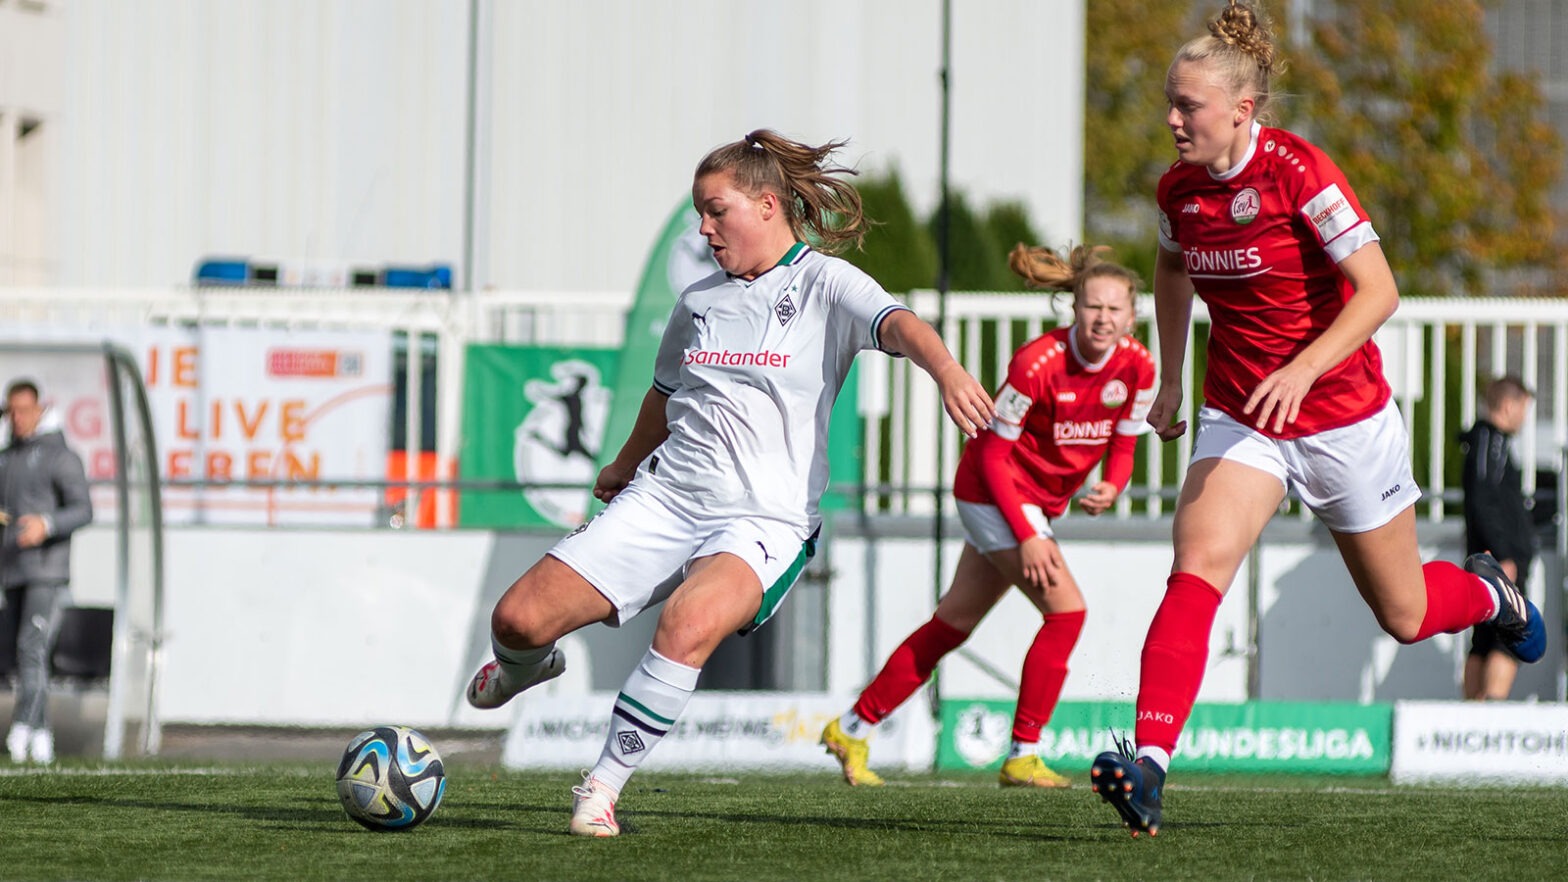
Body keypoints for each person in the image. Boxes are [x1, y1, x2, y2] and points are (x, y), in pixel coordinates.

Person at [1090, 0, 1547, 837]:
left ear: (1241, 110)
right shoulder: (1177, 188)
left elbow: (1381, 292)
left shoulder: (1300, 170)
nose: (1171, 118)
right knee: (1196, 566)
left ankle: (1489, 591)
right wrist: (1169, 375)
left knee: (1406, 617)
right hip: (1242, 414)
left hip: (1343, 418)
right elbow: (1169, 263)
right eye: (1170, 101)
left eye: (1186, 105)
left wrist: (1303, 368)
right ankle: (1150, 769)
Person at [462, 129, 995, 837]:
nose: (705, 229)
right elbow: (663, 392)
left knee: (688, 621)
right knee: (516, 621)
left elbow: (901, 325)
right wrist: (624, 464)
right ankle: (527, 667)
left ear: (767, 204)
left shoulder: (824, 283)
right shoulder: (699, 301)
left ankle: (601, 786)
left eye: (717, 211)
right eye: (700, 215)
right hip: (667, 497)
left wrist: (950, 371)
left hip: (764, 523)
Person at [821, 243, 1155, 788]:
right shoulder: (1036, 363)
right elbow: (994, 455)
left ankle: (852, 726)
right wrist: (1027, 535)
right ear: (1074, 308)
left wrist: (1113, 486)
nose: (1103, 318)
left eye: (1115, 309)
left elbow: (1124, 442)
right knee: (1066, 613)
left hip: (1033, 508)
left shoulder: (1139, 366)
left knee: (952, 624)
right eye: (1093, 306)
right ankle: (1023, 752)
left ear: (1131, 317)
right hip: (990, 494)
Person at [0, 379, 93, 764]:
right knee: (20, 655)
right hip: (13, 572)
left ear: (39, 409)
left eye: (23, 410)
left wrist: (47, 524)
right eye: (11, 411)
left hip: (47, 573)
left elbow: (84, 510)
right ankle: (41, 736)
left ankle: (22, 726)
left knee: (31, 648)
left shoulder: (60, 457)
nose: (17, 418)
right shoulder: (7, 458)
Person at [1459, 376, 1536, 701]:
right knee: (1510, 633)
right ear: (1508, 405)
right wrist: (1504, 555)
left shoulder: (1489, 444)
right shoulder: (1491, 442)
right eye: (1523, 409)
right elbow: (1484, 500)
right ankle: (1491, 711)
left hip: (1494, 558)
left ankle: (1475, 714)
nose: (1524, 418)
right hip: (1500, 561)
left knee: (1486, 635)